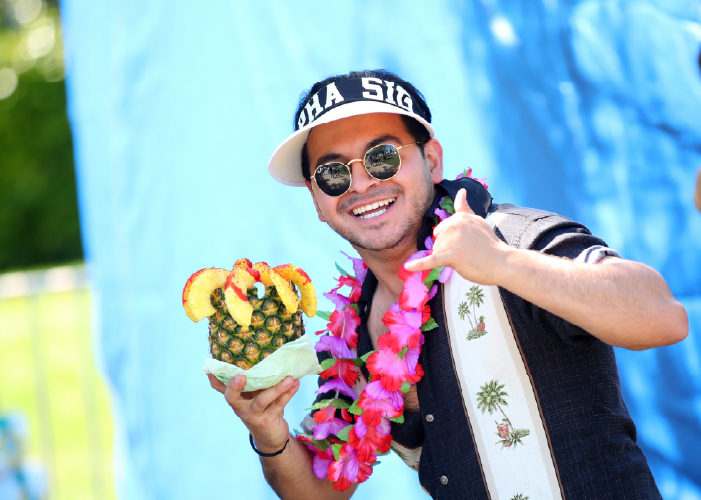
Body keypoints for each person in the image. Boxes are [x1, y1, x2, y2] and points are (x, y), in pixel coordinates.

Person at [207, 70, 688, 500]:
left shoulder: (510, 237)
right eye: (332, 173)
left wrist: (503, 264)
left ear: (432, 161)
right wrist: (269, 434)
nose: (360, 184)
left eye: (382, 157)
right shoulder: (350, 333)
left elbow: (663, 317)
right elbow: (319, 492)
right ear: (316, 196)